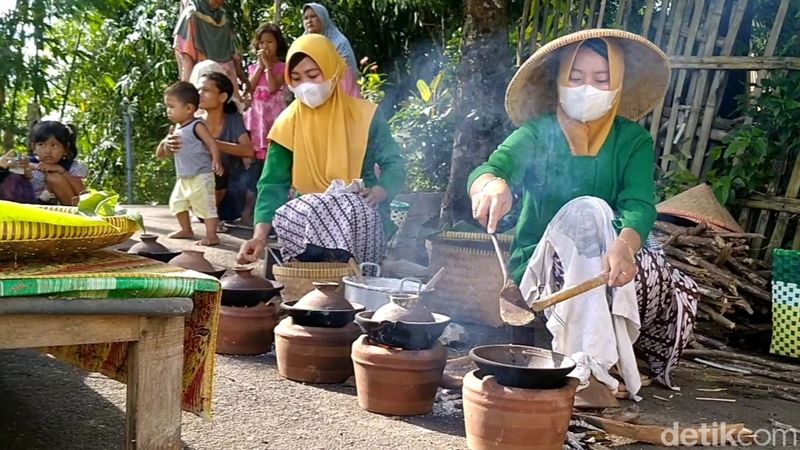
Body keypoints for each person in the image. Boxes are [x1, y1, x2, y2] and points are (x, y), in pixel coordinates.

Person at [468, 30, 697, 399]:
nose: (587, 88)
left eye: (601, 79)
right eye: (576, 78)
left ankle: (611, 357)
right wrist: (490, 186)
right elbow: (492, 168)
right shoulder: (536, 134)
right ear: (559, 82)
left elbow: (639, 205)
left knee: (671, 284)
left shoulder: (632, 140)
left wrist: (625, 244)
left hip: (612, 261)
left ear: (616, 85)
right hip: (545, 268)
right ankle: (584, 369)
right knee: (586, 210)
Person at [237, 34, 405, 270]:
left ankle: (355, 275)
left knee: (351, 208)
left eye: (313, 75)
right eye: (296, 78)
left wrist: (380, 190)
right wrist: (259, 236)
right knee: (292, 212)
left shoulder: (366, 116)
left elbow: (394, 164)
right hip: (307, 226)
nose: (305, 85)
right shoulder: (288, 123)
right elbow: (272, 184)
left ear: (333, 70)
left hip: (361, 220)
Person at [161, 72, 254, 229]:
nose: (199, 94)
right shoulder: (188, 122)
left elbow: (249, 151)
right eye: (198, 90)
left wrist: (211, 143)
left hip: (231, 192)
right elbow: (163, 153)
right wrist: (166, 143)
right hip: (198, 188)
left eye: (206, 90)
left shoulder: (233, 120)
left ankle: (242, 216)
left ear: (222, 97)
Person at [156, 81, 224, 246]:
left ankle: (211, 235)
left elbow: (212, 144)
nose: (168, 110)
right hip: (183, 177)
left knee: (206, 206)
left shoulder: (197, 125)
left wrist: (216, 160)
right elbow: (159, 154)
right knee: (177, 203)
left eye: (171, 106)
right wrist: (166, 142)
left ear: (188, 108)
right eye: (167, 106)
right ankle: (186, 229)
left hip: (201, 174)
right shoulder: (176, 129)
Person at [241, 23, 289, 227]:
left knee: (270, 170)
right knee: (253, 171)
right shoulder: (254, 67)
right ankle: (246, 214)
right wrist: (260, 66)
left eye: (270, 41)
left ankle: (270, 218)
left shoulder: (283, 67)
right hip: (256, 125)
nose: (265, 46)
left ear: (278, 44)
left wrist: (268, 66)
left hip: (272, 124)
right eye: (261, 42)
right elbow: (249, 89)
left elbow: (272, 87)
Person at [173, 0, 249, 101]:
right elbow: (186, 58)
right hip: (203, 82)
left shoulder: (222, 17)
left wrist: (244, 80)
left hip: (228, 83)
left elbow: (232, 54)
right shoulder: (191, 16)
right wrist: (187, 93)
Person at [302, 3, 361, 98]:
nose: (309, 21)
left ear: (323, 18)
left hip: (341, 94)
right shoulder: (302, 44)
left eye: (313, 16)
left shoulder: (339, 42)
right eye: (306, 18)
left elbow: (348, 73)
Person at [28, 120, 88, 205]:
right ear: (34, 148)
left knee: (54, 177)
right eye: (42, 145)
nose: (48, 151)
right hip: (32, 208)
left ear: (65, 150)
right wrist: (35, 167)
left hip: (66, 210)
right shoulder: (27, 163)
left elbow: (83, 194)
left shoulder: (74, 167)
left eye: (54, 146)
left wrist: (62, 171)